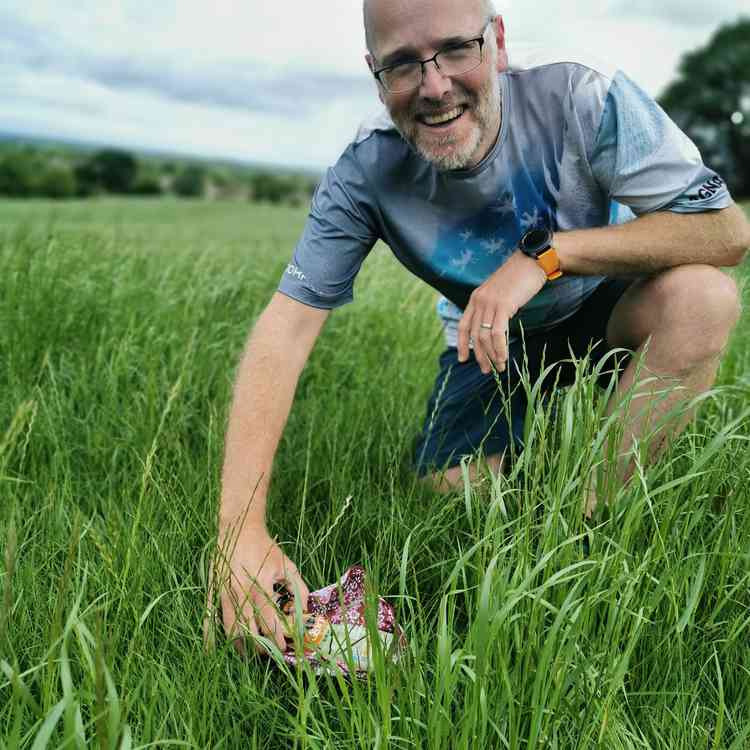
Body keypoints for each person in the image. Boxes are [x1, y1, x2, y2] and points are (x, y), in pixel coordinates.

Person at [213, 0, 750, 651]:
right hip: (491, 342)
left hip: (607, 308)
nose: (434, 86)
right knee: (441, 494)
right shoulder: (365, 172)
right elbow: (285, 330)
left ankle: (586, 525)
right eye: (403, 64)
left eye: (456, 50)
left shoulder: (582, 99)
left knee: (704, 298)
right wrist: (240, 531)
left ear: (496, 40)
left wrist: (548, 256)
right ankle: (540, 459)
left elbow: (724, 232)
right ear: (376, 75)